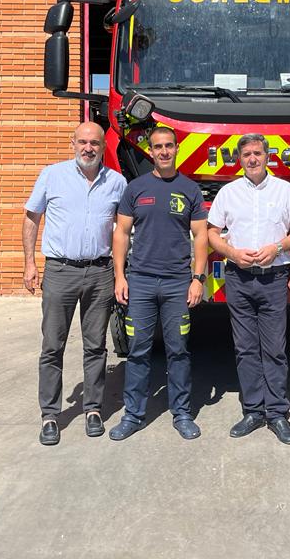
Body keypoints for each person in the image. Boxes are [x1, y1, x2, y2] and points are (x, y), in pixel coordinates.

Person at [23, 121, 126, 446]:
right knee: (53, 346)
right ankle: (51, 415)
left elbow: (123, 229)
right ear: (73, 143)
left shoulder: (117, 183)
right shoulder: (52, 175)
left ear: (101, 147)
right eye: (82, 142)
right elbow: (31, 217)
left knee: (96, 346)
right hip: (60, 271)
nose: (88, 148)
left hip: (99, 272)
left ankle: (93, 409)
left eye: (94, 143)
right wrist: (29, 263)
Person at [206, 134, 290, 445]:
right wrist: (231, 253)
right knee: (245, 348)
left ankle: (277, 413)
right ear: (240, 159)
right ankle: (252, 410)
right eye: (247, 154)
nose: (252, 159)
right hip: (238, 277)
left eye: (257, 153)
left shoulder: (285, 191)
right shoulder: (228, 193)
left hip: (274, 278)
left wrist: (278, 246)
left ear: (268, 157)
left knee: (274, 348)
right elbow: (212, 232)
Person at [109, 126, 208, 441]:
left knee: (178, 350)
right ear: (149, 151)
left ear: (177, 148)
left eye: (169, 146)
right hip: (140, 283)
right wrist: (120, 276)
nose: (163, 151)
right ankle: (134, 415)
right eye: (157, 147)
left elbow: (201, 236)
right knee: (138, 350)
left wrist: (198, 279)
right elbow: (121, 234)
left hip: (178, 282)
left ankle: (181, 414)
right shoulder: (135, 188)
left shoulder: (190, 189)